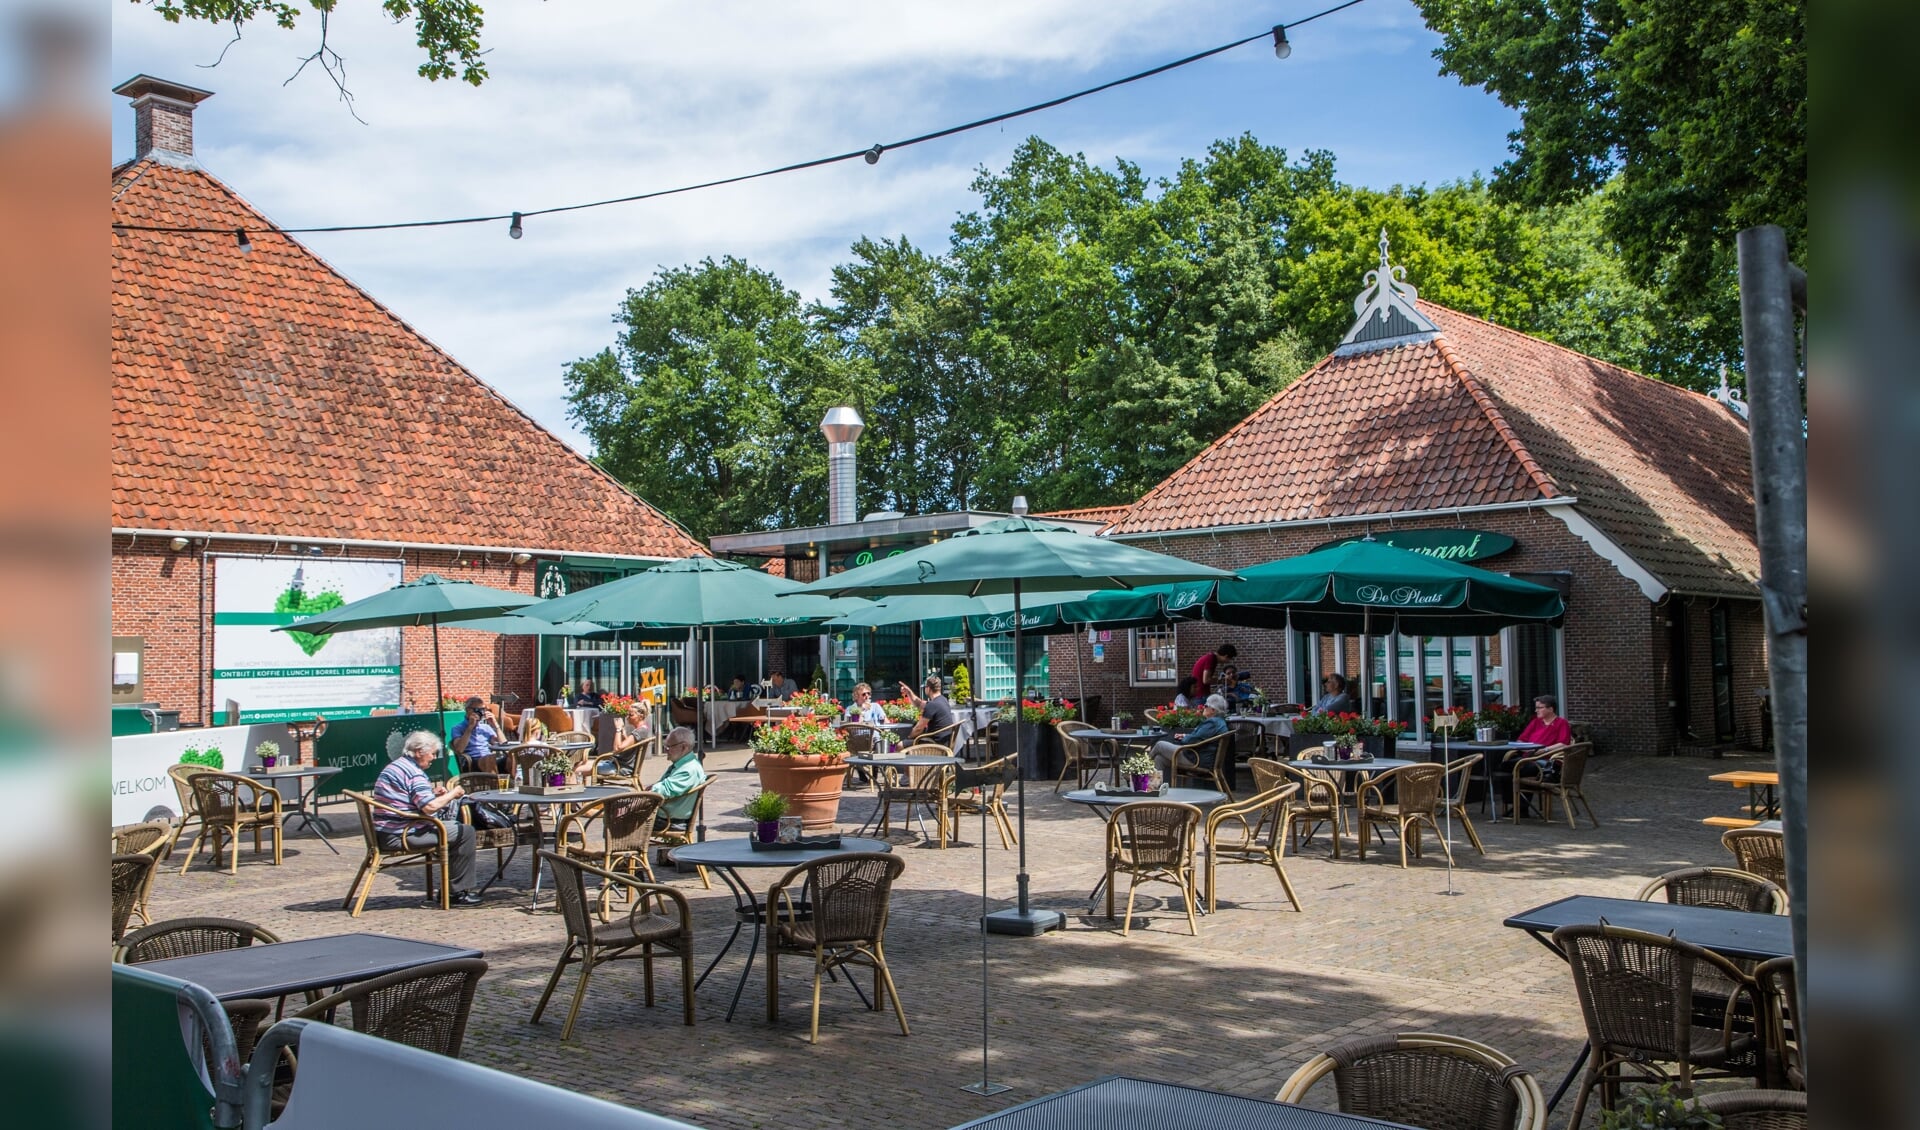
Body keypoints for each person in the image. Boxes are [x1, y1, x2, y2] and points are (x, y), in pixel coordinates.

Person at [372, 731, 481, 907]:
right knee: (465, 832)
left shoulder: (397, 766)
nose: (433, 758)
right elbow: (429, 808)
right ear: (418, 752)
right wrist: (453, 793)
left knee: (452, 826)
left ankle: (450, 888)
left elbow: (409, 798)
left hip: (387, 830)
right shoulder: (414, 773)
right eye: (432, 753)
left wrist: (431, 793)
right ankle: (456, 893)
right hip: (402, 834)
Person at [1501, 695, 1575, 817]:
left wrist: (1544, 750)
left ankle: (1521, 808)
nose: (1536, 710)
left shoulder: (1561, 723)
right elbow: (1521, 740)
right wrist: (1524, 747)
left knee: (1522, 769)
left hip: (1548, 762)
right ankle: (1516, 805)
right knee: (1504, 767)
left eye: (1539, 708)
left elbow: (1563, 744)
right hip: (1529, 757)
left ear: (1550, 709)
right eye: (1536, 708)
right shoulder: (1535, 722)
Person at [1151, 694, 1231, 776]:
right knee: (1159, 759)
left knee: (1159, 745)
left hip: (1196, 759)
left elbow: (1191, 741)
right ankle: (1155, 787)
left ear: (1213, 710)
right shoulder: (1220, 722)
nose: (1203, 707)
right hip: (1201, 757)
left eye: (1206, 705)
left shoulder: (1212, 723)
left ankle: (1141, 768)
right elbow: (1199, 737)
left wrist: (1185, 738)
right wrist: (1185, 735)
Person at [649, 726, 708, 832]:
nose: (665, 750)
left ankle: (622, 846)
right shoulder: (683, 764)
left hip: (669, 820)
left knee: (617, 819)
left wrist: (647, 790)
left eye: (669, 746)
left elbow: (663, 791)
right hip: (664, 815)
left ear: (684, 747)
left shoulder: (689, 769)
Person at [449, 696, 505, 773]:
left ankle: (514, 783)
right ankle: (494, 784)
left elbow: (503, 743)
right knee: (489, 759)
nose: (481, 713)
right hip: (471, 761)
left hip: (488, 758)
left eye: (483, 710)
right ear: (468, 710)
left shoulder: (485, 727)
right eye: (477, 710)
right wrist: (470, 728)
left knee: (510, 758)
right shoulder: (457, 728)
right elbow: (459, 749)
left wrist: (496, 725)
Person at [902, 674, 957, 746]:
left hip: (935, 744)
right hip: (943, 742)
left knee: (900, 745)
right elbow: (919, 703)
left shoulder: (932, 705)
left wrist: (907, 737)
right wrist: (909, 692)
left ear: (928, 688)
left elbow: (918, 729)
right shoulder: (943, 700)